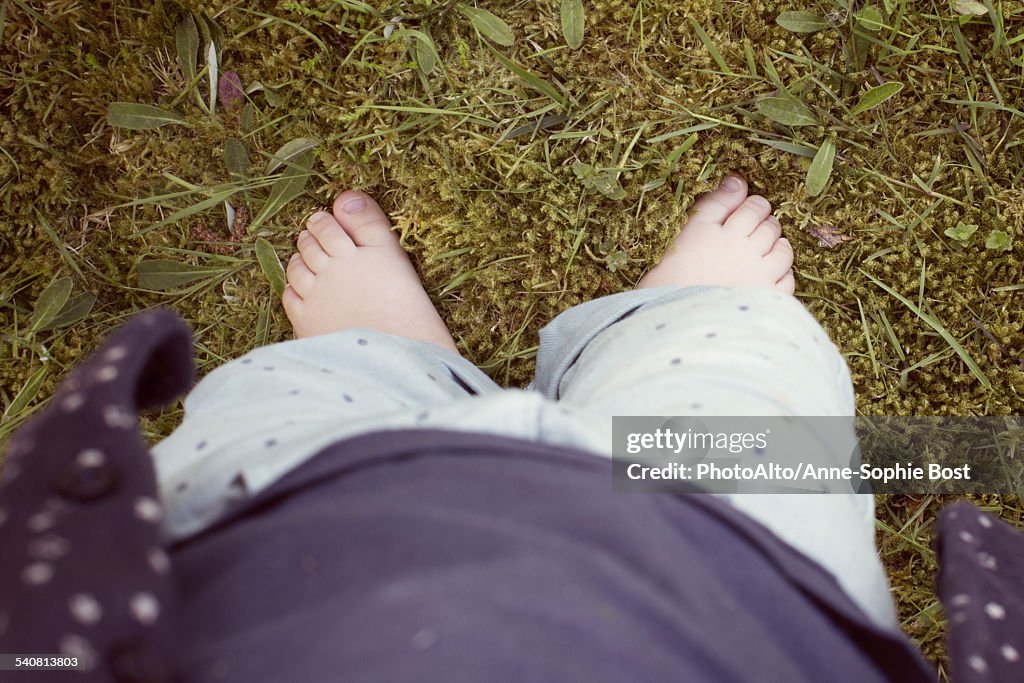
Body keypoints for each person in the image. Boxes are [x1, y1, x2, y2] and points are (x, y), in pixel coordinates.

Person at [0, 177, 1019, 682]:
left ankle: (388, 355)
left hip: (263, 517)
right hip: (729, 541)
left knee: (312, 387)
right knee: (731, 366)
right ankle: (674, 322)